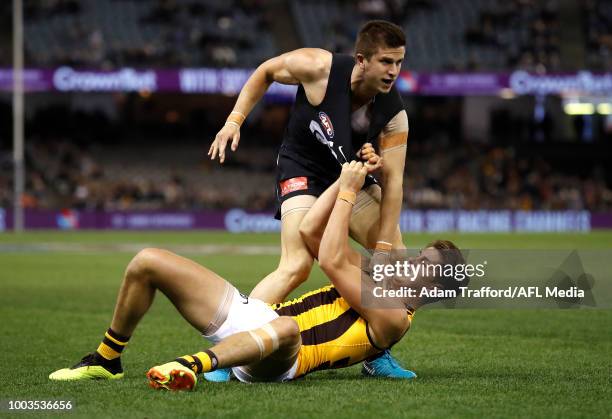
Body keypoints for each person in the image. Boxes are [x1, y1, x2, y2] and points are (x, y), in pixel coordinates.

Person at [49, 161, 465, 387]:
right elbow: (312, 235)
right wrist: (339, 182)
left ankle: (192, 366)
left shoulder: (393, 316)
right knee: (148, 260)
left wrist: (350, 193)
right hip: (256, 319)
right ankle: (106, 360)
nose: (413, 264)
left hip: (284, 360)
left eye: (425, 267)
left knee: (286, 329)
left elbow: (335, 259)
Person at [208, 20, 411, 379]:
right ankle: (232, 350)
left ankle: (376, 352)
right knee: (296, 266)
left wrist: (383, 248)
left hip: (347, 176)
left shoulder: (394, 115)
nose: (393, 71)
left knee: (396, 260)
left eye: (398, 62)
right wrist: (234, 121)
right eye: (386, 62)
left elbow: (393, 183)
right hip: (301, 170)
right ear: (361, 60)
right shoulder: (317, 67)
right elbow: (265, 71)